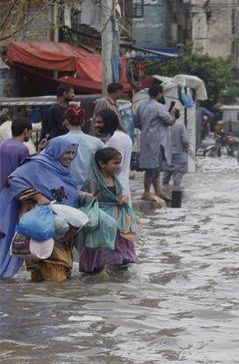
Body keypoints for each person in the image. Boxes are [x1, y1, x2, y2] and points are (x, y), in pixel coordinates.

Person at [0, 136, 82, 281]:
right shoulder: (36, 165)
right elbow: (12, 180)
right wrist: (38, 197)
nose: (70, 156)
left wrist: (84, 196)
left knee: (45, 277)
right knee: (55, 274)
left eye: (72, 153)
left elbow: (68, 195)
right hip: (40, 225)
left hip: (60, 227)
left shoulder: (63, 171)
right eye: (67, 152)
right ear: (55, 151)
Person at [79, 147, 139, 274]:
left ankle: (116, 277)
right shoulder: (92, 181)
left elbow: (117, 196)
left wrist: (123, 197)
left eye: (119, 163)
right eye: (115, 163)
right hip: (101, 223)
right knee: (101, 253)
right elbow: (81, 195)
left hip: (116, 223)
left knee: (119, 256)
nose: (118, 166)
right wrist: (87, 196)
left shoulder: (115, 180)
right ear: (102, 164)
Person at [134, 84, 175, 201]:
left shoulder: (141, 106)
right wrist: (172, 113)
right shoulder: (159, 106)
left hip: (146, 138)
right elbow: (170, 121)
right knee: (152, 168)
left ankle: (158, 191)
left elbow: (137, 122)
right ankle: (146, 192)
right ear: (160, 94)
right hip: (157, 141)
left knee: (155, 166)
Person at [94, 110, 133, 203]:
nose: (96, 125)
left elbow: (114, 165)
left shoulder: (116, 139)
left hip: (115, 186)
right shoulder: (122, 136)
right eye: (96, 122)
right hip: (121, 183)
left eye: (100, 122)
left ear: (108, 122)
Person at [63, 106, 104, 188]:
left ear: (66, 121)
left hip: (66, 188)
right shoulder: (97, 142)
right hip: (90, 189)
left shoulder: (57, 142)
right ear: (83, 122)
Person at [0, 118, 32, 186]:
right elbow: (27, 172)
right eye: (30, 132)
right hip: (16, 186)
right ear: (26, 131)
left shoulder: (2, 144)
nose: (30, 135)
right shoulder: (22, 149)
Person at [162, 111, 189, 188]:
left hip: (167, 156)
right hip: (179, 156)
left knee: (165, 180)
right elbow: (185, 140)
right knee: (177, 182)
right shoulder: (180, 125)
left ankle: (165, 192)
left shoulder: (164, 124)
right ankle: (176, 194)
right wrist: (186, 148)